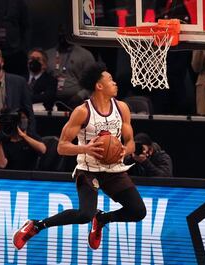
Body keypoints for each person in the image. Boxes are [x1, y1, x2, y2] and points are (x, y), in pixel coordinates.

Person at [12, 62, 146, 251]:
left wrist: (125, 150)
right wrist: (86, 149)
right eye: (110, 80)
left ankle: (101, 219)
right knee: (84, 214)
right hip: (89, 169)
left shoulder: (122, 108)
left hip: (113, 169)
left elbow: (130, 141)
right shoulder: (82, 112)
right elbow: (61, 147)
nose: (115, 83)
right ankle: (36, 225)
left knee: (138, 211)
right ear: (99, 86)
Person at [45, 26, 96, 110]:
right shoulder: (48, 55)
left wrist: (81, 95)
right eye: (60, 33)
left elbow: (92, 81)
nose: (62, 35)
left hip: (76, 101)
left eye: (65, 33)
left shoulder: (85, 55)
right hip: (50, 100)